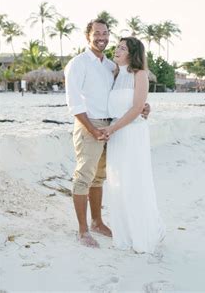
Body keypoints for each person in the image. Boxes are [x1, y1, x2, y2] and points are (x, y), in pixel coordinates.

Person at [64, 19, 150, 248]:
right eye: (97, 33)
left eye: (105, 33)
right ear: (87, 36)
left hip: (110, 128)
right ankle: (83, 231)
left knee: (99, 178)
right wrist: (92, 129)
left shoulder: (111, 66)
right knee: (83, 176)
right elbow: (73, 104)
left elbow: (126, 93)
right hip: (88, 125)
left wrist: (143, 106)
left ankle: (97, 221)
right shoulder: (78, 64)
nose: (102, 37)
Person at [101, 37, 165, 253]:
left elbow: (137, 107)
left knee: (134, 181)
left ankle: (140, 234)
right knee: (118, 183)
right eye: (117, 46)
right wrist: (112, 129)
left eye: (122, 48)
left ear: (132, 53)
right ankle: (124, 233)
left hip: (131, 133)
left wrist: (112, 128)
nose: (116, 50)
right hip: (117, 134)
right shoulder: (115, 74)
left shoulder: (140, 74)